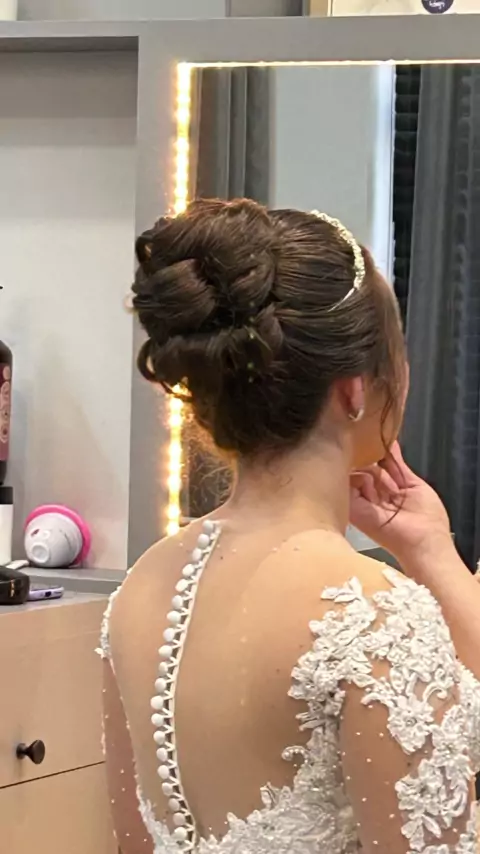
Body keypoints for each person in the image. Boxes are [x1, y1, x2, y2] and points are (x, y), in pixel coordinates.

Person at [100, 198, 480, 854]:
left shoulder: (143, 587)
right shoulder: (373, 617)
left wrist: (430, 551)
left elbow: (133, 841)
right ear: (356, 388)